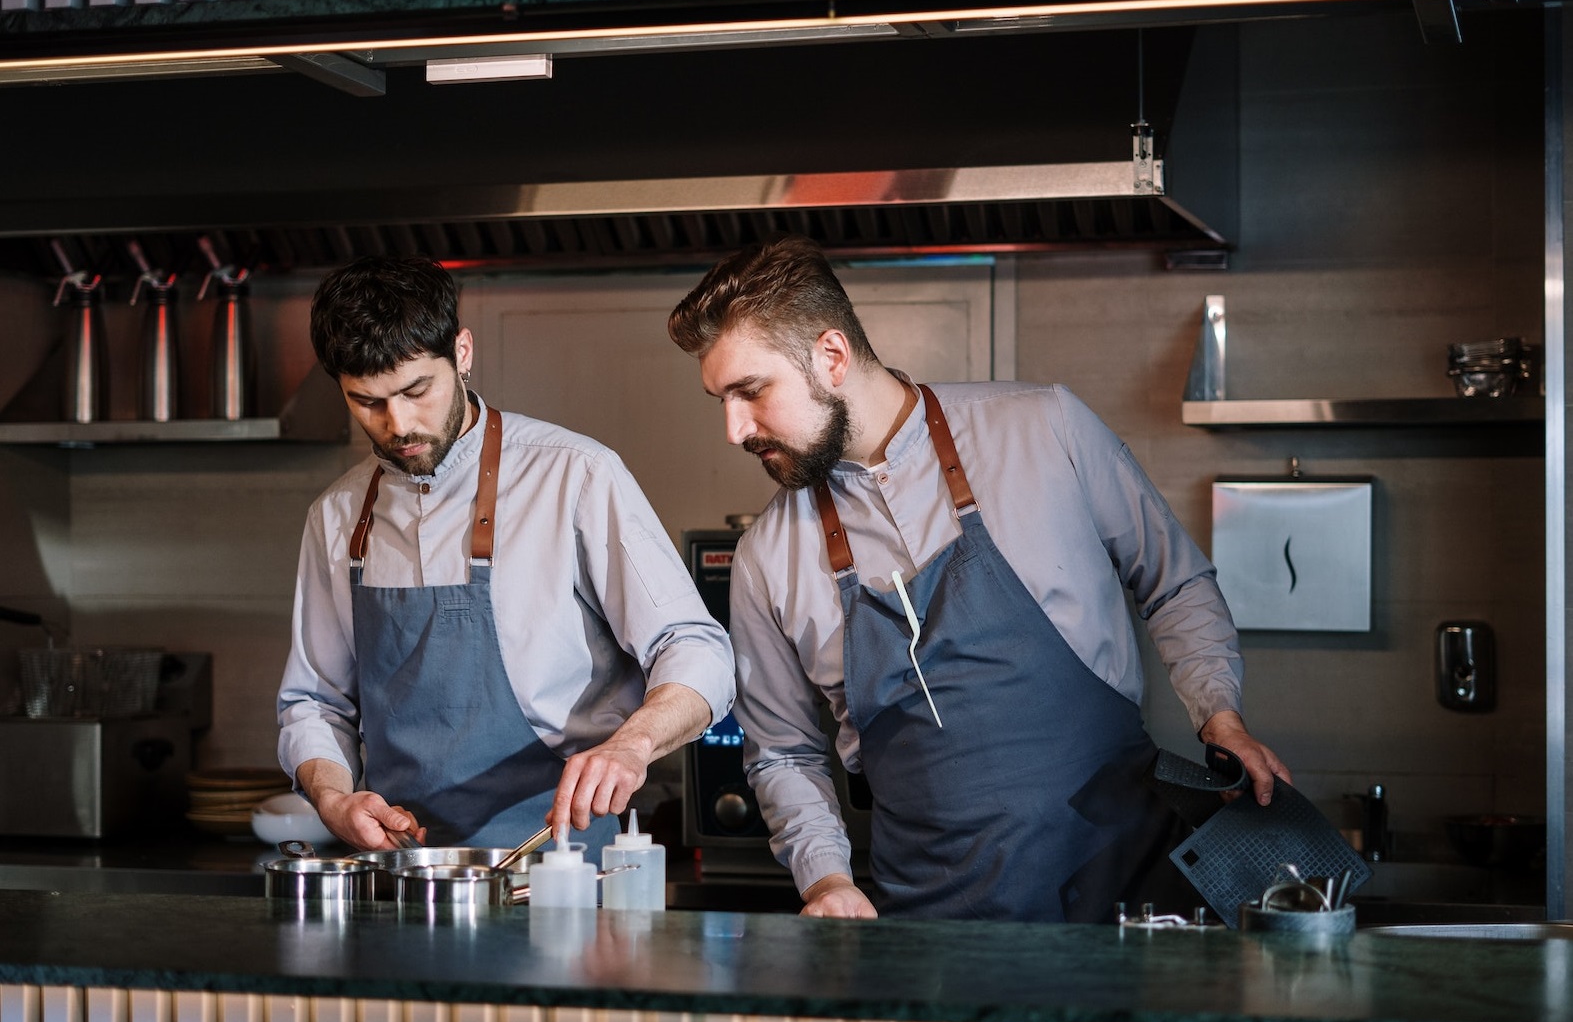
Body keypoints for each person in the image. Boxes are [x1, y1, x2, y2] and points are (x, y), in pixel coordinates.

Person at [667, 236, 1291, 922]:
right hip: (933, 929)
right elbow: (783, 753)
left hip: (1131, 903)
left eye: (749, 391)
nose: (732, 428)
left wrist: (1219, 714)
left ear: (831, 356)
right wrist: (825, 880)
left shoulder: (1045, 427)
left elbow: (1174, 582)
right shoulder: (766, 556)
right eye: (717, 400)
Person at [278, 255, 735, 853]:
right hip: (407, 874)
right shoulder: (336, 517)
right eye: (367, 402)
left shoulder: (576, 476)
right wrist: (334, 799)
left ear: (462, 353)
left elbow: (696, 649)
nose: (399, 423)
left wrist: (633, 744)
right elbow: (315, 701)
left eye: (417, 390)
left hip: (562, 863)